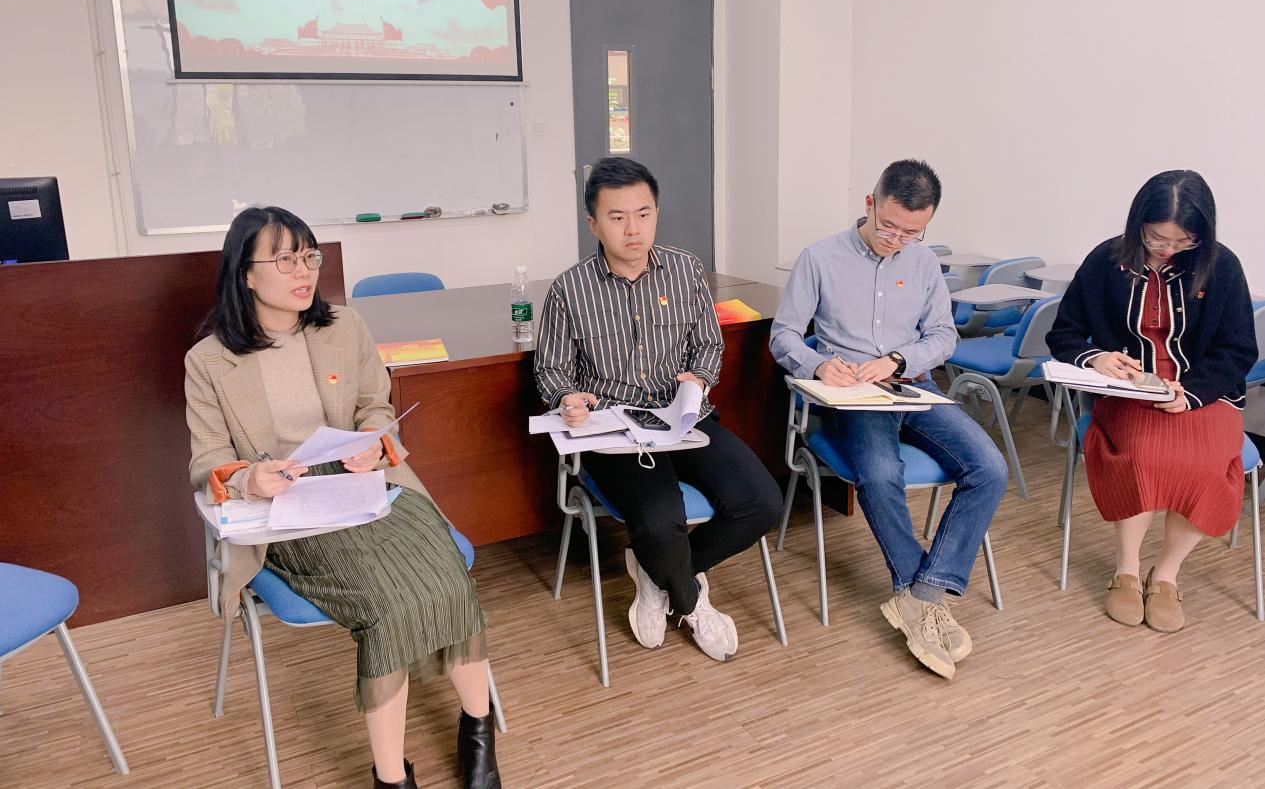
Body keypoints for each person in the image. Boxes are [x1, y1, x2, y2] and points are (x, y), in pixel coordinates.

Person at [184, 207, 500, 789]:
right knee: (387, 605)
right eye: (285, 259)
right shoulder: (208, 361)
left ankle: (478, 732)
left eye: (310, 256)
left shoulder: (344, 326)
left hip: (367, 485)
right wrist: (250, 478)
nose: (304, 271)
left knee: (450, 577)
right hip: (288, 507)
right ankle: (390, 776)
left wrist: (375, 443)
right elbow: (207, 463)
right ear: (245, 273)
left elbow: (375, 407)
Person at [534, 157, 783, 662]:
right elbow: (551, 370)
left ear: (656, 214)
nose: (633, 229)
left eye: (643, 214)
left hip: (683, 416)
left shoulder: (685, 270)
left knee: (762, 502)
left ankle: (659, 572)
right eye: (617, 217)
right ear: (593, 224)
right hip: (616, 430)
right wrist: (566, 397)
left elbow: (708, 345)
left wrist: (700, 378)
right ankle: (691, 602)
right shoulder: (569, 289)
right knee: (658, 519)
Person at [770, 159, 1008, 680]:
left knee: (990, 468)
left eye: (911, 233)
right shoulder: (820, 258)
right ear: (870, 204)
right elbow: (783, 335)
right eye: (888, 227)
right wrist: (818, 364)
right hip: (852, 394)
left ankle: (921, 594)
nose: (896, 240)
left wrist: (900, 360)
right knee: (880, 474)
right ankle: (920, 597)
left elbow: (943, 335)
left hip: (912, 385)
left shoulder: (922, 263)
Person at [1046, 170, 1256, 633]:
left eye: (1182, 241)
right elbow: (1063, 333)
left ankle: (1165, 575)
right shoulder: (1106, 261)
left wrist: (1192, 392)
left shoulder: (1221, 266)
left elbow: (1238, 351)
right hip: (1131, 393)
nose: (1167, 249)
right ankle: (1126, 567)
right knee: (1141, 454)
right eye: (1157, 237)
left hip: (1204, 396)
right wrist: (1096, 357)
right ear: (1137, 222)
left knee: (1205, 465)